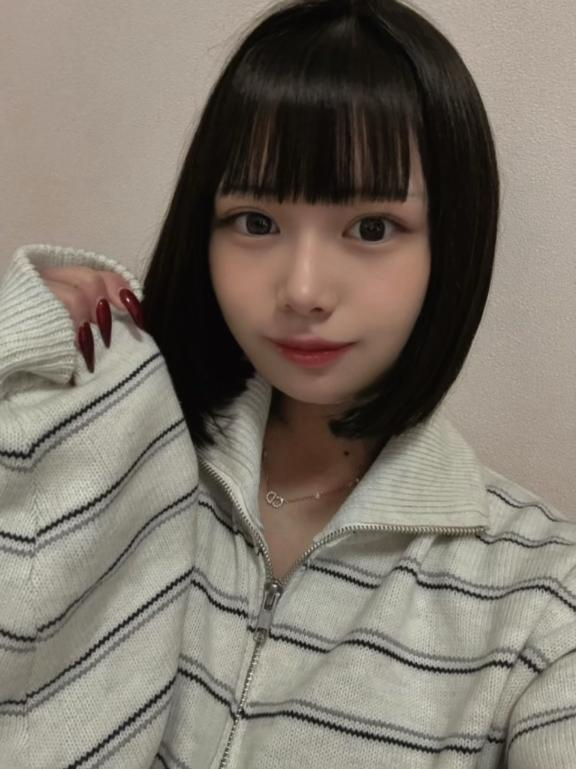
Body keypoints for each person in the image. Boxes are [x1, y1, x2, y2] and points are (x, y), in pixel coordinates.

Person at [1, 0, 574, 766]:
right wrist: (19, 339)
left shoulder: (541, 592)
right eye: (256, 221)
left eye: (372, 227)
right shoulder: (110, 459)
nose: (303, 289)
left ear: (452, 242)